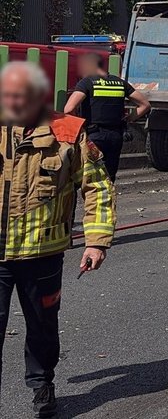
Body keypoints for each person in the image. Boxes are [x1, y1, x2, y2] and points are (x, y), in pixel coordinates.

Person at [1, 62, 116, 417]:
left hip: (43, 253)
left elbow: (97, 187)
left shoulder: (69, 132)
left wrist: (96, 240)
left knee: (42, 327)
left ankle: (42, 385)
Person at [64, 53, 150, 181]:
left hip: (93, 136)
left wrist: (79, 126)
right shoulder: (120, 83)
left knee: (91, 177)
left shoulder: (87, 82)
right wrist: (128, 119)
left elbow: (69, 109)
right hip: (115, 136)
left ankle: (95, 200)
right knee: (109, 176)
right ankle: (107, 200)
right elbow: (145, 104)